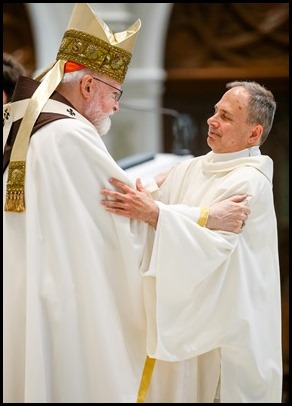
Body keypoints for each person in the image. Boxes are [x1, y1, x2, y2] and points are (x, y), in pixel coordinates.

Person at [3, 3, 250, 403]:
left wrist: (151, 185)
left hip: (30, 294)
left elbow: (99, 205)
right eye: (114, 93)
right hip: (63, 303)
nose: (117, 106)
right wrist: (205, 217)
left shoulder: (29, 127)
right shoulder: (70, 135)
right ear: (87, 87)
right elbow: (124, 222)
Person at [101, 81, 283, 402]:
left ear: (253, 134)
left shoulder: (249, 179)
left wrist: (157, 214)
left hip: (224, 333)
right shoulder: (193, 167)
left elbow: (211, 250)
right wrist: (149, 204)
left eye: (226, 116)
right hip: (190, 328)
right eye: (215, 111)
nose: (212, 120)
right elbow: (145, 196)